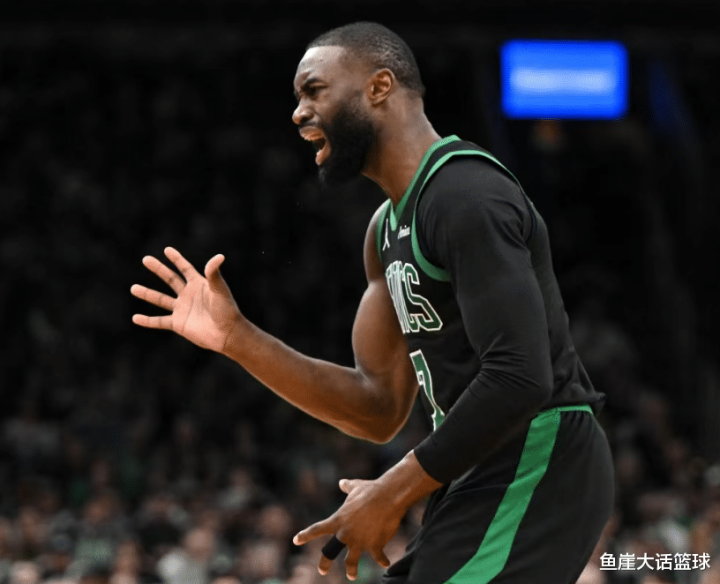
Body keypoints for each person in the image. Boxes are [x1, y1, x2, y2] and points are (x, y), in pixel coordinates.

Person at [131, 21, 614, 584]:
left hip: (540, 458)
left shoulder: (465, 196)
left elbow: (521, 376)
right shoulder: (383, 231)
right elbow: (377, 408)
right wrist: (238, 339)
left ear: (380, 87)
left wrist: (392, 490)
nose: (298, 113)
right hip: (475, 470)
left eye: (314, 90)